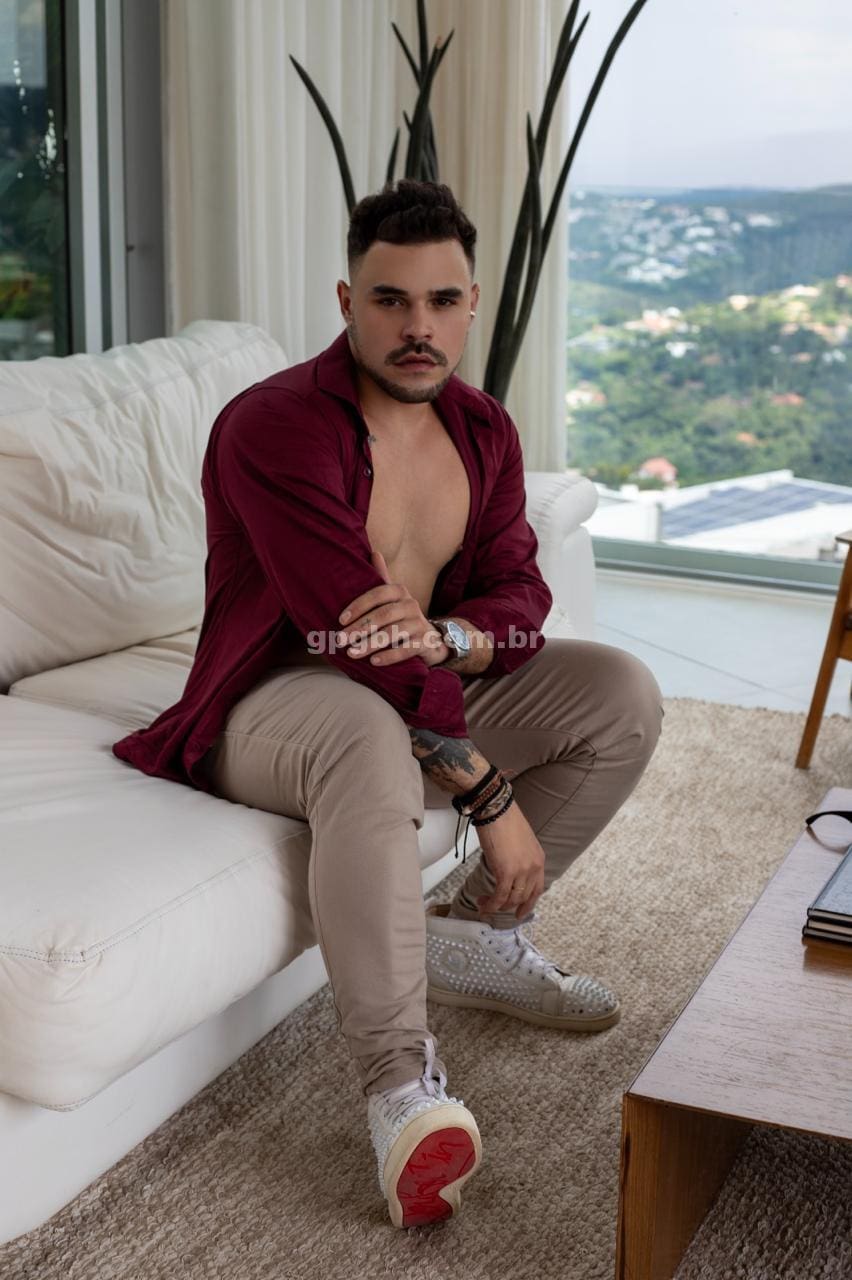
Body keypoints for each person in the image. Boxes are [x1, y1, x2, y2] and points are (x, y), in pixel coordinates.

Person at [113, 179, 663, 1230]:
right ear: (347, 301)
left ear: (471, 303)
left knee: (618, 691)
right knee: (367, 727)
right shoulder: (274, 426)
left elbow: (520, 594)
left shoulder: (482, 428)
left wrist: (452, 636)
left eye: (442, 301)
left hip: (415, 686)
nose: (420, 327)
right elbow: (350, 633)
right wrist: (489, 795)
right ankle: (400, 1088)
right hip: (272, 699)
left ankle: (477, 940)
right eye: (391, 300)